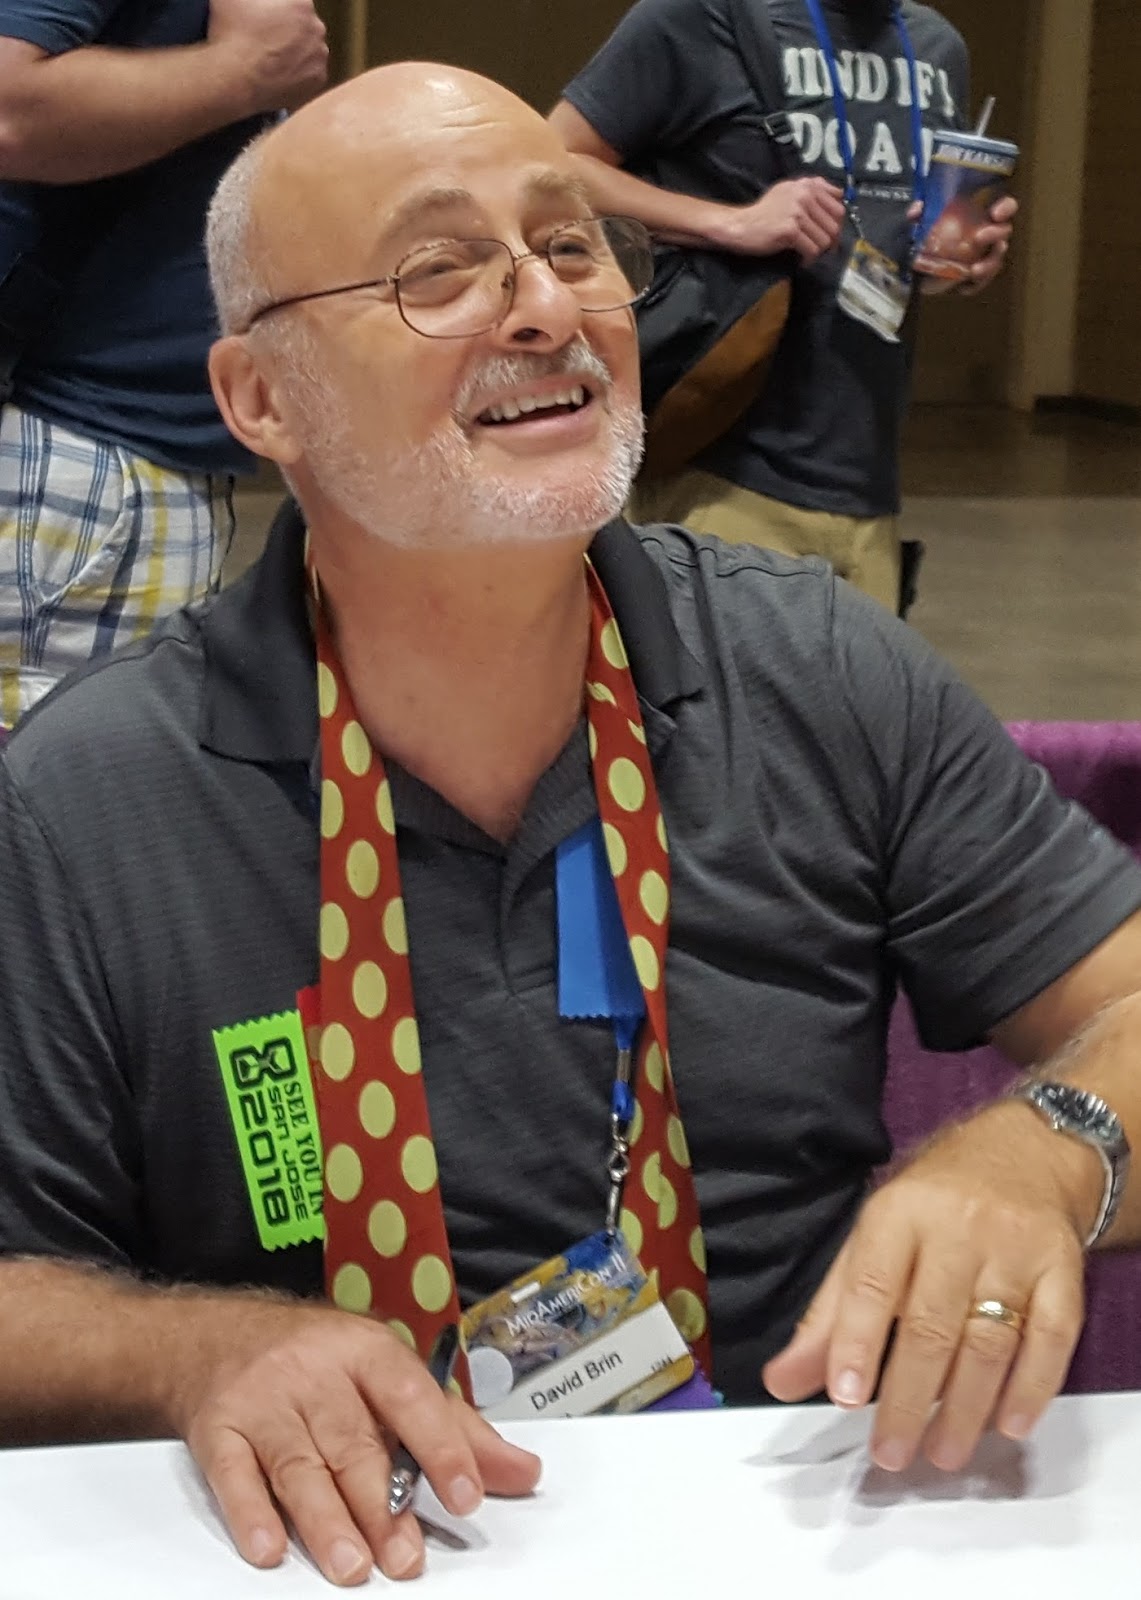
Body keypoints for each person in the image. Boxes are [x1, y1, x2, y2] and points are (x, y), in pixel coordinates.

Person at [1, 61, 1139, 1591]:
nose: (543, 307)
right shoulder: (91, 794)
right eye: (437, 269)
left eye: (569, 245)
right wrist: (192, 1352)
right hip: (339, 1549)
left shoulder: (812, 667)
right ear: (261, 398)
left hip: (788, 1516)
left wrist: (1043, 1153)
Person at [549, 0, 1018, 612]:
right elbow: (553, 165)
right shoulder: (699, 17)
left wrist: (953, 264)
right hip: (723, 471)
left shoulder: (935, 47)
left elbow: (886, 233)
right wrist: (731, 223)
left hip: (868, 481)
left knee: (865, 680)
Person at [0, 0, 328, 733]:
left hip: (115, 459)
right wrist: (247, 68)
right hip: (79, 459)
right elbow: (8, 108)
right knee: (71, 784)